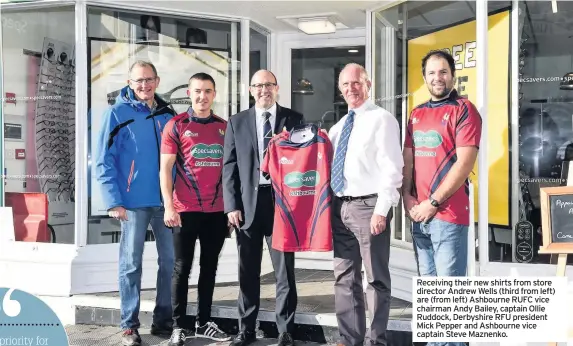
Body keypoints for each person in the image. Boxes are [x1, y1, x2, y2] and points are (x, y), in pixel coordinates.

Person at [95, 60, 176, 346]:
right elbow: (104, 161)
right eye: (138, 81)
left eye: (149, 79)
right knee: (131, 264)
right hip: (132, 203)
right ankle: (129, 325)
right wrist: (113, 201)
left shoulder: (168, 114)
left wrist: (177, 198)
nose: (144, 85)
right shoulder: (116, 114)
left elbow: (178, 159)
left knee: (170, 262)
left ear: (157, 80)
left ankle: (163, 319)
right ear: (130, 83)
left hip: (166, 202)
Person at [222, 69, 303, 346]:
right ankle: (246, 329)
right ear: (250, 89)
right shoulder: (237, 122)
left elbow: (303, 164)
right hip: (247, 208)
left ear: (277, 88)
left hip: (282, 207)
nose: (263, 90)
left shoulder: (294, 119)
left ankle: (286, 331)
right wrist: (231, 206)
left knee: (285, 273)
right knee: (247, 271)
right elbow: (229, 166)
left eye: (268, 85)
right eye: (257, 85)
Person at [328, 63, 403, 346]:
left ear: (368, 85)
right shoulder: (337, 128)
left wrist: (381, 210)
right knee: (344, 279)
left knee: (375, 279)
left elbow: (393, 169)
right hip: (340, 207)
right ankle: (350, 339)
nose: (351, 89)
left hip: (369, 207)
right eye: (345, 85)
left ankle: (376, 341)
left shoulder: (382, 119)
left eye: (356, 83)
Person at [159, 72, 231, 346]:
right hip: (183, 210)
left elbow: (231, 170)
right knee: (182, 268)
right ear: (189, 93)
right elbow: (165, 170)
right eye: (198, 91)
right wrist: (168, 206)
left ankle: (204, 322)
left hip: (217, 212)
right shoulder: (175, 125)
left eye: (208, 91)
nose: (203, 96)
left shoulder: (224, 127)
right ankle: (179, 326)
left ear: (214, 94)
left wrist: (230, 208)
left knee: (209, 268)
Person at [403, 50, 481, 284]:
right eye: (432, 73)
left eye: (443, 72)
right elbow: (408, 159)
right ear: (425, 78)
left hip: (448, 215)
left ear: (453, 76)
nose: (438, 77)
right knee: (429, 290)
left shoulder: (464, 109)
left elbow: (464, 164)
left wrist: (433, 202)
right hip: (419, 214)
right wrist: (406, 196)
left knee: (448, 293)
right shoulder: (416, 113)